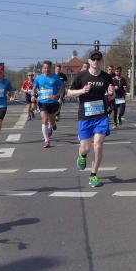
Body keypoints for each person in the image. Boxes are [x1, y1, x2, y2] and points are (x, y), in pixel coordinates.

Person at [69, 50, 115, 188]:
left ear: (101, 61)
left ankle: (93, 174)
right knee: (86, 148)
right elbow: (69, 92)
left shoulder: (106, 77)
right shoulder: (81, 76)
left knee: (98, 145)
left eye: (98, 59)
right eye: (93, 59)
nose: (96, 61)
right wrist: (81, 91)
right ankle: (82, 156)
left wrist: (111, 93)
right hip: (85, 116)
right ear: (89, 61)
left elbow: (112, 95)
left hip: (101, 115)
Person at [33, 61, 65, 148]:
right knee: (44, 119)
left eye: (48, 68)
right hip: (42, 102)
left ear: (51, 68)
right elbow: (34, 88)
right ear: (42, 68)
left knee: (51, 119)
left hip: (53, 103)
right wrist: (33, 95)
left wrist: (57, 96)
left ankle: (52, 125)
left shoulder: (55, 77)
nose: (47, 69)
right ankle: (46, 140)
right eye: (45, 68)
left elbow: (62, 87)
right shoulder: (38, 78)